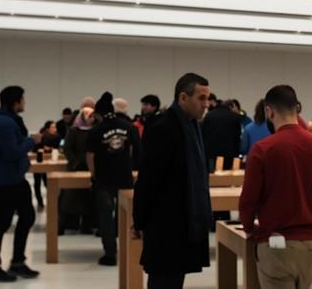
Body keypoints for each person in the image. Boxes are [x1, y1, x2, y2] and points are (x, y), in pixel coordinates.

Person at [238, 85, 312, 289]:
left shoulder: (262, 149)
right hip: (311, 246)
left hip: (276, 244)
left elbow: (248, 200)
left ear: (268, 111)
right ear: (297, 109)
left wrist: (249, 228)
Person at [133, 73, 213, 289]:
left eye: (207, 98)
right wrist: (139, 220)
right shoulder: (163, 128)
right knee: (164, 281)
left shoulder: (192, 126)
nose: (206, 104)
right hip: (165, 224)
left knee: (174, 280)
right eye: (201, 98)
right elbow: (148, 179)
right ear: (183, 98)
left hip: (183, 222)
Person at [0, 86, 41, 283]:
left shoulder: (3, 121)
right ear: (15, 102)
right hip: (8, 180)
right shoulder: (6, 124)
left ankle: (17, 261)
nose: (24, 102)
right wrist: (31, 141)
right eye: (22, 99)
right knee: (1, 222)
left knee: (26, 216)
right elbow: (12, 152)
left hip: (13, 178)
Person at [86, 92, 142, 266]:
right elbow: (137, 151)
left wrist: (94, 174)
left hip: (104, 179)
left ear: (98, 113)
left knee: (106, 217)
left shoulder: (96, 130)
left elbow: (90, 155)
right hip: (124, 177)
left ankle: (110, 254)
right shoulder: (129, 126)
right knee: (129, 215)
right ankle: (133, 251)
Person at [61, 106, 96, 235]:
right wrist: (75, 162)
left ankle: (86, 226)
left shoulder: (94, 131)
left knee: (88, 198)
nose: (91, 119)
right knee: (70, 197)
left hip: (90, 167)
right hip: (76, 167)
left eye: (93, 116)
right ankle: (65, 224)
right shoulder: (73, 131)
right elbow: (67, 149)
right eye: (89, 116)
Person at [202, 95, 245, 168]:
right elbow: (237, 137)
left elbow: (203, 134)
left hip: (211, 154)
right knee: (227, 176)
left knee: (212, 176)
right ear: (231, 107)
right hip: (229, 154)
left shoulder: (209, 115)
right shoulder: (235, 117)